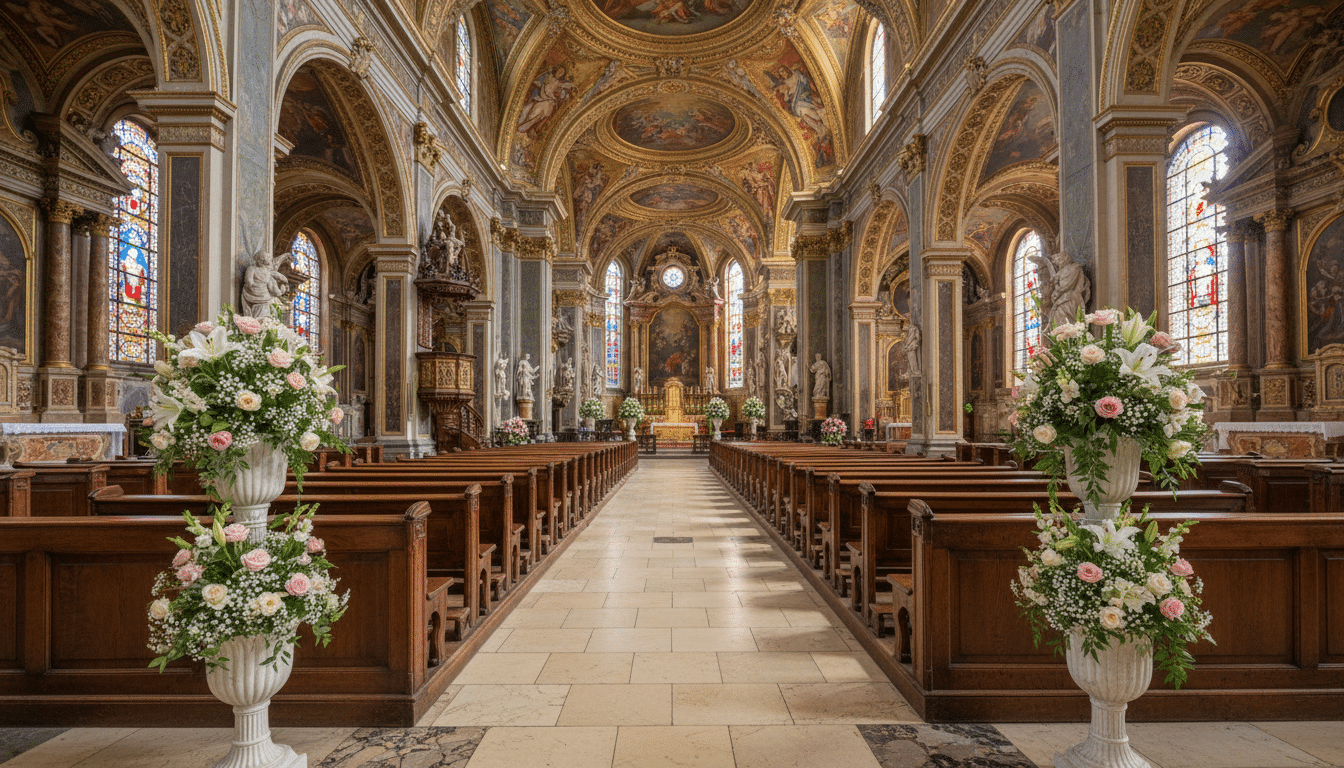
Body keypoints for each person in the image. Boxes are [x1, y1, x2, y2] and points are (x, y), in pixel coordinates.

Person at [241, 249, 290, 318]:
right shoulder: (265, 273)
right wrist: (282, 290)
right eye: (269, 258)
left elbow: (249, 282)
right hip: (262, 297)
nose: (271, 260)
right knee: (265, 314)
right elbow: (275, 290)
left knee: (264, 314)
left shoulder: (253, 269)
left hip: (256, 296)